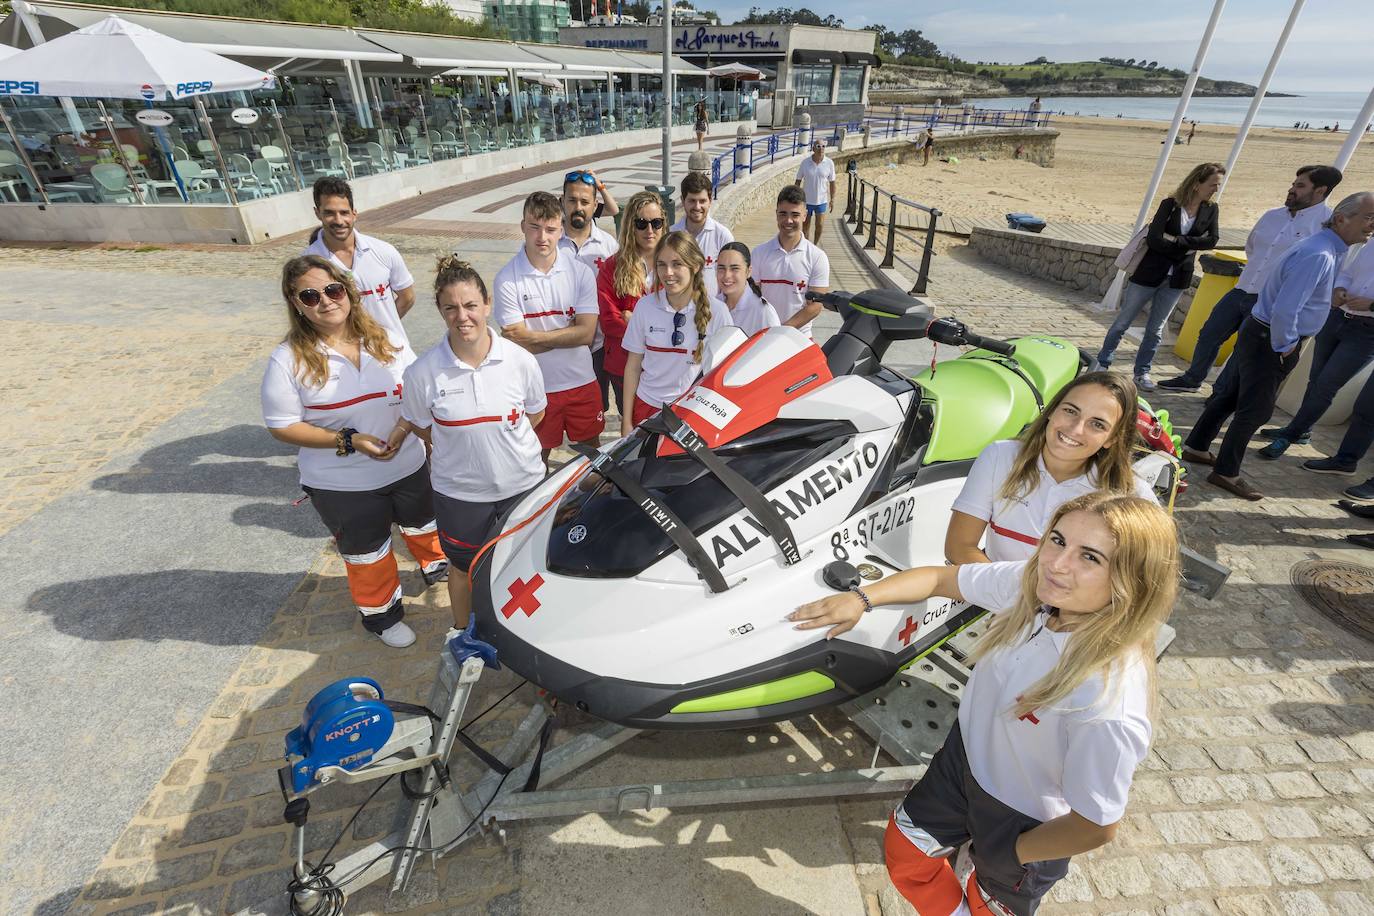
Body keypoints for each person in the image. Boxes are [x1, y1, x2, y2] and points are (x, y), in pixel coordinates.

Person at [790, 492, 1178, 916]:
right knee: (906, 854)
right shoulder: (1033, 585)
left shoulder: (1107, 701)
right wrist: (862, 599)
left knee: (985, 905)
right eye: (1058, 540)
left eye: (1090, 558)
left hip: (1024, 819)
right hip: (962, 763)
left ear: (1132, 580)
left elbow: (1096, 825)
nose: (1058, 563)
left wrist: (1014, 852)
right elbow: (941, 578)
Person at [261, 255, 446, 649]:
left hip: (409, 463)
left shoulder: (384, 336)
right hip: (343, 485)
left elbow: (417, 387)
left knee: (424, 522)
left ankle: (435, 564)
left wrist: (406, 428)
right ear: (296, 304)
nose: (326, 301)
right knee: (368, 554)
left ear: (347, 291)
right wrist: (349, 440)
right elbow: (281, 425)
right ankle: (382, 616)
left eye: (332, 289)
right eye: (310, 296)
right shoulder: (288, 358)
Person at [1182, 192, 1374, 501]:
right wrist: (1285, 346)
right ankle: (1226, 472)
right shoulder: (1320, 255)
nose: (1372, 226)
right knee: (1256, 410)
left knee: (1231, 395)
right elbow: (1287, 308)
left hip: (1262, 333)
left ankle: (1196, 447)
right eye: (1368, 218)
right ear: (1341, 218)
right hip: (1271, 338)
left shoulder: (1326, 248)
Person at [399, 257, 547, 629]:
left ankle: (526, 630)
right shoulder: (421, 373)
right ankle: (463, 633)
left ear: (487, 305)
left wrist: (498, 443)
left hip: (522, 487)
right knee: (462, 568)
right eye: (451, 308)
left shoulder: (521, 361)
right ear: (440, 310)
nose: (462, 316)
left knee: (526, 564)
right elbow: (420, 425)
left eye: (470, 306)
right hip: (460, 495)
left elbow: (535, 414)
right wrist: (462, 444)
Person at [1159, 165, 1343, 392]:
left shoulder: (1326, 225)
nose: (1292, 189)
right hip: (1243, 287)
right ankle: (1192, 379)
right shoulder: (1272, 216)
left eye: (1300, 186)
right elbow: (1252, 247)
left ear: (1320, 190)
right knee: (1209, 333)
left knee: (1243, 349)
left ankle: (1221, 393)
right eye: (1293, 184)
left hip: (1271, 300)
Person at [946, 372, 1158, 564]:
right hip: (1000, 602)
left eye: (1097, 424)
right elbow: (959, 547)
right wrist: (1019, 602)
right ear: (1052, 411)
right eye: (1070, 411)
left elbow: (1145, 579)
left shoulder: (1132, 493)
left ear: (1112, 439)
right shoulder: (1000, 456)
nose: (1075, 429)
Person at [495, 191, 603, 463]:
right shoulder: (506, 279)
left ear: (561, 230)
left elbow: (587, 334)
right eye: (534, 227)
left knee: (593, 460)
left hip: (582, 381)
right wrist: (569, 332)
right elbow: (516, 344)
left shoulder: (580, 272)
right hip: (535, 387)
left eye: (551, 229)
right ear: (523, 227)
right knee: (535, 461)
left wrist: (533, 336)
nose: (542, 237)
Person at [1096, 162, 1223, 390]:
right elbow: (1154, 238)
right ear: (1197, 184)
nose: (1216, 189)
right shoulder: (1170, 205)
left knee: (1155, 330)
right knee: (1123, 322)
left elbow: (1212, 240)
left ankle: (1142, 373)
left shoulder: (1211, 209)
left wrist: (1179, 241)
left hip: (1177, 279)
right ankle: (1102, 363)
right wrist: (1188, 247)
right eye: (1213, 184)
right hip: (1148, 273)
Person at [1258, 237, 1374, 459]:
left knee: (1326, 385)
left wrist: (1371, 305)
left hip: (1367, 332)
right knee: (1316, 380)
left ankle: (1290, 435)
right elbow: (1349, 272)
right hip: (1338, 318)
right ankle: (1302, 430)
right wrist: (1340, 288)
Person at [621, 231, 735, 431]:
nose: (668, 273)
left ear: (696, 266)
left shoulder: (718, 312)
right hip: (647, 407)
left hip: (692, 412)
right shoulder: (645, 307)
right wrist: (626, 421)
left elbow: (726, 373)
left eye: (677, 264)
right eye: (661, 264)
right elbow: (632, 366)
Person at [306, 176, 416, 350]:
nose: (339, 220)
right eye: (329, 213)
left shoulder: (383, 251)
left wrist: (380, 330)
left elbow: (407, 296)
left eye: (344, 212)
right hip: (343, 359)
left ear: (354, 213)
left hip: (393, 352)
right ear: (317, 213)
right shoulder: (308, 263)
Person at [598, 190, 665, 415]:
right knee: (632, 426)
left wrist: (633, 318)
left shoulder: (675, 266)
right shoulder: (612, 267)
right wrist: (656, 328)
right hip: (623, 364)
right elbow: (609, 321)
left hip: (665, 366)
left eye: (656, 223)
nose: (649, 230)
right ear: (630, 226)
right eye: (641, 223)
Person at [560, 169, 621, 413]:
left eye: (585, 202)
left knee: (594, 413)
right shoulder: (548, 244)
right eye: (572, 200)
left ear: (595, 205)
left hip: (598, 348)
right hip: (557, 349)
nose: (578, 207)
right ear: (562, 201)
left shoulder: (608, 246)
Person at [752, 185, 831, 338]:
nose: (788, 220)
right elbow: (753, 297)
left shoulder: (817, 257)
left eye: (795, 215)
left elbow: (815, 306)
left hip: (799, 337)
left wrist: (781, 331)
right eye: (783, 214)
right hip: (763, 335)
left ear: (805, 215)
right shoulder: (759, 253)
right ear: (776, 215)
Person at [671, 171, 734, 298]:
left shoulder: (723, 236)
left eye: (702, 201)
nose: (697, 206)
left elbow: (731, 280)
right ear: (683, 201)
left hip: (713, 311)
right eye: (692, 201)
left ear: (710, 201)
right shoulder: (671, 235)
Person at [715, 241, 781, 337]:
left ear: (748, 272)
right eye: (721, 268)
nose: (727, 275)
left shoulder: (763, 312)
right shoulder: (714, 306)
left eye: (734, 268)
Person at [795, 141, 837, 245]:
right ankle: (806, 245)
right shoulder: (805, 163)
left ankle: (815, 245)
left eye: (823, 146)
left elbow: (832, 183)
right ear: (813, 148)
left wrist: (832, 199)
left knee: (820, 225)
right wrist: (795, 199)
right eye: (818, 146)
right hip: (806, 201)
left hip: (822, 201)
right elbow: (798, 181)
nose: (821, 148)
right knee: (805, 227)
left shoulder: (829, 163)